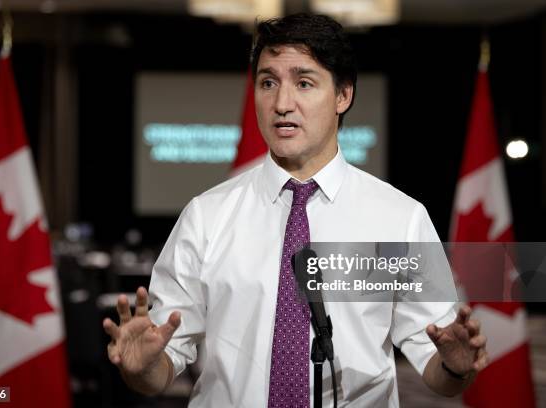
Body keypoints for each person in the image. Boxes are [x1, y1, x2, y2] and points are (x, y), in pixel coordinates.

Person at [103, 13, 488, 407]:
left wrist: (457, 367)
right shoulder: (206, 217)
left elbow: (441, 375)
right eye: (268, 83)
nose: (282, 103)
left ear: (343, 95)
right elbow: (161, 368)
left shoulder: (399, 218)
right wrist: (141, 368)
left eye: (304, 83)